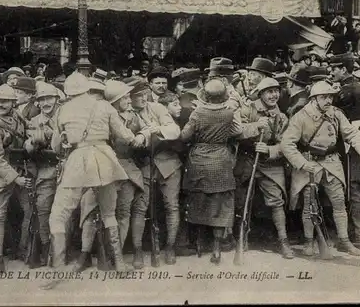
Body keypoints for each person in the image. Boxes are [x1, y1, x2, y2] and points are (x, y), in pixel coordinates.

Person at [41, 72, 145, 289]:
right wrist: (140, 137)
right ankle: (119, 264)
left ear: (68, 92)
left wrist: (68, 141)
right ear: (88, 88)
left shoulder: (64, 110)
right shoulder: (104, 106)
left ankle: (58, 268)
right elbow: (125, 136)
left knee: (58, 216)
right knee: (109, 214)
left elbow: (56, 147)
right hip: (105, 159)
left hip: (78, 161)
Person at [281, 80, 360, 257]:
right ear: (314, 99)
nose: (328, 100)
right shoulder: (301, 116)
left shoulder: (335, 114)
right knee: (308, 205)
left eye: (330, 97)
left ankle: (344, 241)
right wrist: (302, 163)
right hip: (308, 163)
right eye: (324, 97)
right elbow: (287, 144)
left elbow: (351, 132)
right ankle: (308, 242)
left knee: (339, 203)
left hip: (331, 162)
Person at [180, 79, 242, 264]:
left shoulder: (197, 113)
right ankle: (216, 249)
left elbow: (184, 136)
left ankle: (199, 244)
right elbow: (238, 131)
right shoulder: (229, 113)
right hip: (221, 161)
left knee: (198, 201)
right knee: (220, 204)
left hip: (199, 161)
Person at [234, 78, 294, 259]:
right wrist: (255, 127)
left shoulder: (281, 116)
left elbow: (285, 144)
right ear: (260, 93)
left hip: (269, 164)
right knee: (242, 200)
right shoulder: (246, 109)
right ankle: (240, 238)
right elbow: (235, 131)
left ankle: (283, 241)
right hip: (247, 161)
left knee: (276, 201)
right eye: (269, 91)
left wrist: (269, 149)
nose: (274, 95)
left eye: (276, 91)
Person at [129, 79, 182, 269]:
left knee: (172, 206)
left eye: (144, 94)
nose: (143, 98)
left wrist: (158, 129)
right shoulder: (126, 113)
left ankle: (170, 246)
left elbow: (174, 130)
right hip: (143, 164)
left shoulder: (157, 108)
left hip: (168, 163)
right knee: (140, 208)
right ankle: (137, 250)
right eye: (137, 95)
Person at [0, 84, 34, 275]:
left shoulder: (17, 116)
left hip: (21, 168)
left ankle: (24, 249)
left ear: (13, 103)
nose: (1, 104)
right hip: (1, 176)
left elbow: (27, 128)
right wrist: (16, 179)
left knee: (29, 209)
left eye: (5, 101)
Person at [329, 53, 360, 250]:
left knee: (353, 188)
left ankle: (359, 236)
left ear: (343, 69)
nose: (332, 71)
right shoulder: (359, 86)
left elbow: (333, 112)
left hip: (353, 144)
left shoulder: (346, 91)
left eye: (334, 68)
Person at [24, 81, 61, 266]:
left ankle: (63, 249)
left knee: (66, 213)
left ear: (57, 99)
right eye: (42, 99)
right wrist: (31, 145)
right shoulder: (34, 121)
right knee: (43, 209)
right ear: (37, 102)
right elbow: (28, 148)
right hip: (46, 171)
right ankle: (46, 248)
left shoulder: (65, 117)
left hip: (67, 169)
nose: (46, 102)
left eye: (50, 98)